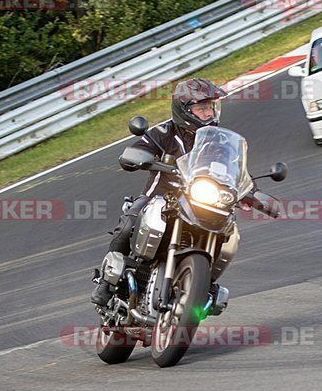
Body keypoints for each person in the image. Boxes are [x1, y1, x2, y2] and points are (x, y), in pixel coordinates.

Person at [91, 77, 227, 306]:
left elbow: (235, 171)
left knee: (227, 230)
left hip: (200, 203)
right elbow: (137, 150)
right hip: (159, 199)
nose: (208, 113)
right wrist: (137, 157)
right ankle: (106, 283)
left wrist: (254, 193)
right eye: (202, 108)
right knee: (129, 222)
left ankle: (204, 281)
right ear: (185, 110)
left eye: (211, 107)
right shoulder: (164, 133)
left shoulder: (219, 141)